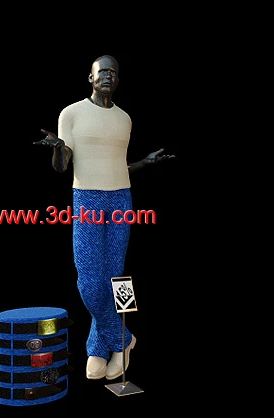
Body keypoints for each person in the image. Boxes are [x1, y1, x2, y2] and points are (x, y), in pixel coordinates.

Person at [33, 54, 175, 380]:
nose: (108, 77)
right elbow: (62, 166)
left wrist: (145, 163)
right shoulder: (71, 113)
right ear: (90, 77)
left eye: (113, 73)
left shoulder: (125, 119)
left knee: (113, 277)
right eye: (102, 72)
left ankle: (97, 347)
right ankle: (124, 340)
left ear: (118, 80)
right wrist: (57, 146)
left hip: (121, 199)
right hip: (87, 199)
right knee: (90, 282)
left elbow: (116, 166)